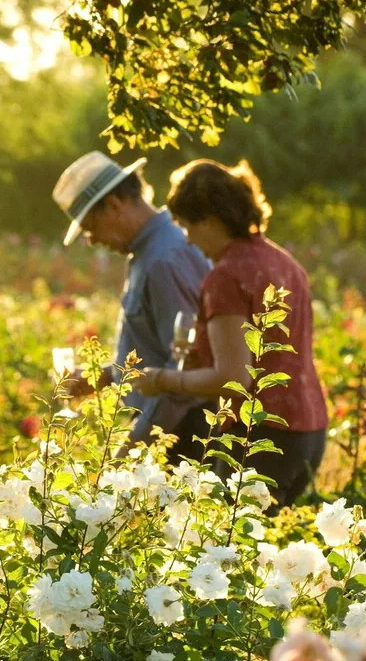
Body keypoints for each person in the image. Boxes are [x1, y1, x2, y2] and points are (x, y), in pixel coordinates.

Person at [134, 159, 329, 508]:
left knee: (222, 550)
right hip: (310, 431)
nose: (189, 241)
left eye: (188, 226)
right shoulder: (283, 262)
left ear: (209, 220)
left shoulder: (226, 276)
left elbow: (233, 378)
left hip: (261, 437)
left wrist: (163, 379)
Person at [52, 151, 210, 459]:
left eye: (90, 227)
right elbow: (157, 351)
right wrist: (107, 375)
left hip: (184, 433)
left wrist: (131, 452)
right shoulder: (148, 253)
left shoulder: (163, 260)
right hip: (169, 428)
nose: (93, 240)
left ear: (113, 204)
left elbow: (182, 371)